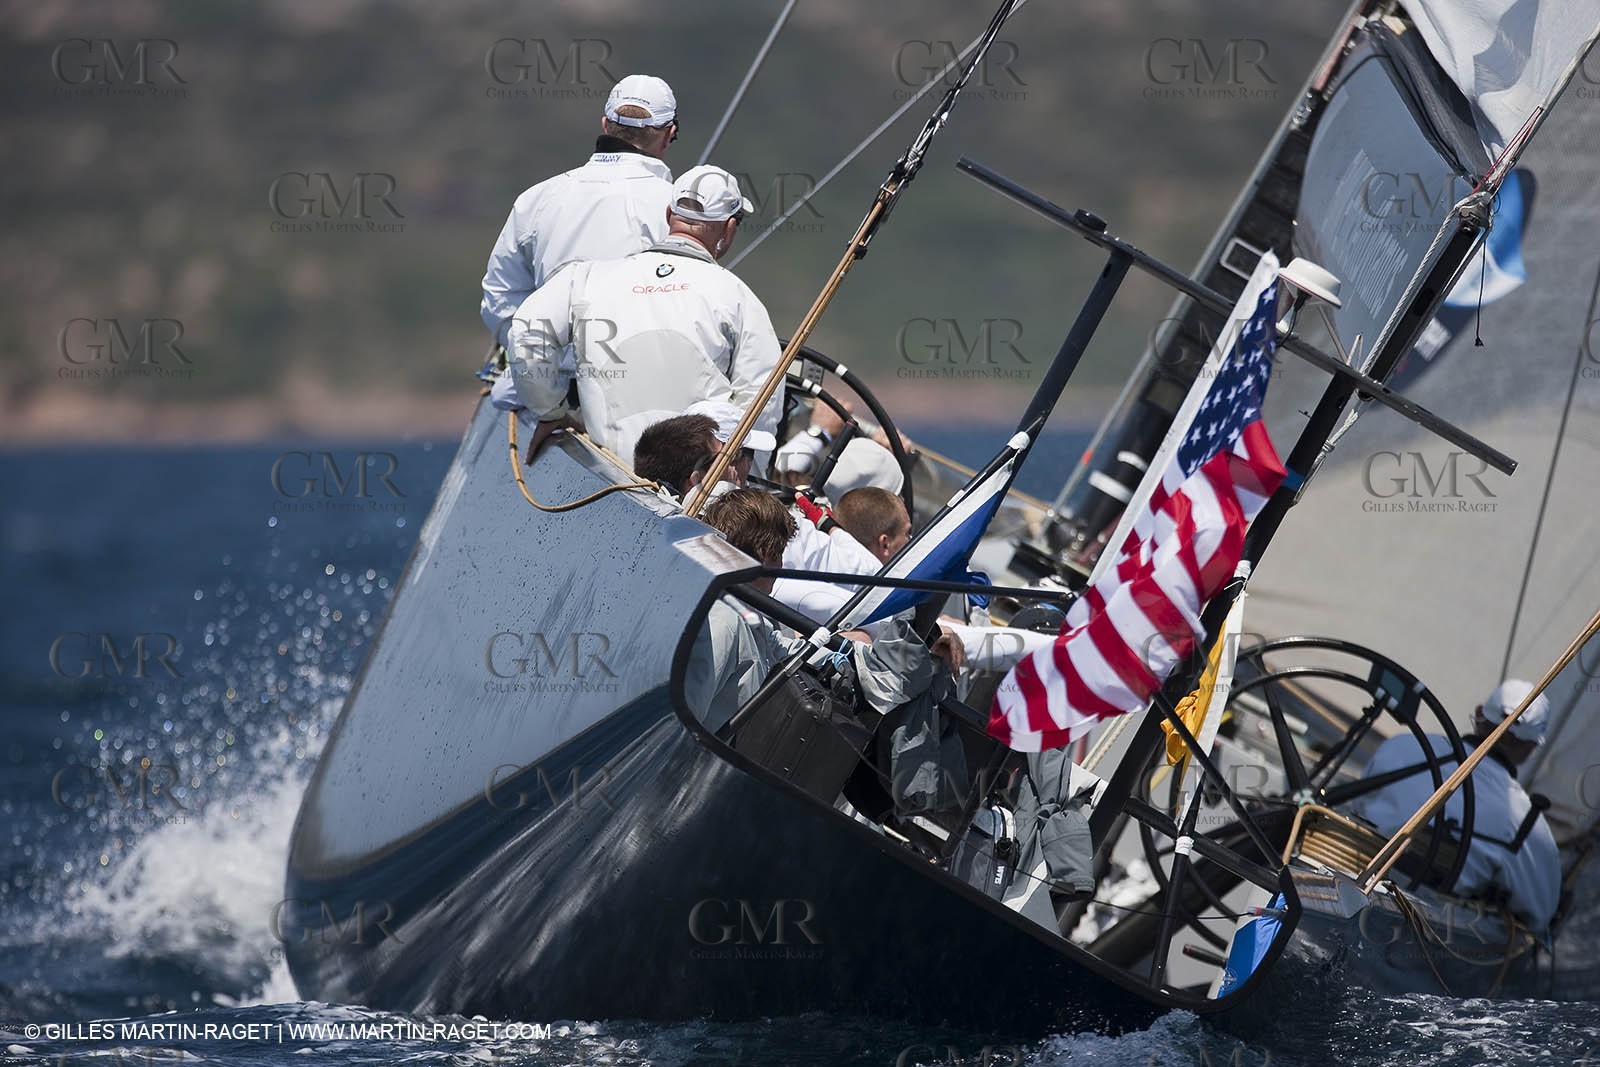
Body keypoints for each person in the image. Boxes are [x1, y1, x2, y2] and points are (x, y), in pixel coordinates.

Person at [506, 165, 782, 458]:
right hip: (694, 483)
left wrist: (549, 411)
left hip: (610, 473)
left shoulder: (586, 278)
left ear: (668, 215)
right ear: (729, 227)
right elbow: (762, 394)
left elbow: (527, 333)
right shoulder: (737, 295)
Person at [480, 74, 678, 350]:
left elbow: (500, 297)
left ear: (605, 125)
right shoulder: (677, 207)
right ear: (669, 135)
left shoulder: (535, 199)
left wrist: (540, 364)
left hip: (547, 382)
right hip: (639, 382)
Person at [1353, 679, 1561, 932]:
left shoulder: (1401, 745)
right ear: (1530, 747)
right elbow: (1539, 915)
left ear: (1479, 713)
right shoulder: (1528, 824)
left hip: (1352, 877)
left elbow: (1358, 806)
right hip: (1427, 929)